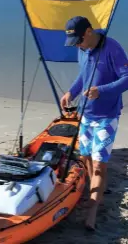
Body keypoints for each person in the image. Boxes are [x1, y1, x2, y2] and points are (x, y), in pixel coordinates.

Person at [60, 16, 128, 230]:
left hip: (107, 115)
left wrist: (102, 91)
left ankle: (92, 213)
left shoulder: (112, 48)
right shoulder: (82, 48)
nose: (77, 46)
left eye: (79, 40)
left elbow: (127, 78)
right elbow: (84, 75)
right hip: (85, 113)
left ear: (89, 31)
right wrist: (71, 92)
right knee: (86, 157)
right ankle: (97, 190)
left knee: (99, 164)